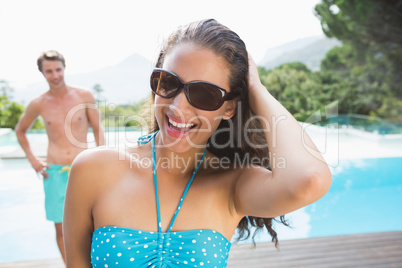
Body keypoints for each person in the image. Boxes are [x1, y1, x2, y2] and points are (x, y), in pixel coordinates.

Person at [63, 19, 332, 267]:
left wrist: (256, 90)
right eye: (168, 83)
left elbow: (310, 180)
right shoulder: (93, 169)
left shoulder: (232, 183)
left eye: (204, 94)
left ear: (229, 109)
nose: (178, 107)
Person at [15, 50, 105, 263]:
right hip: (54, 173)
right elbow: (20, 131)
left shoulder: (84, 96)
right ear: (42, 73)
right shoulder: (38, 103)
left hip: (83, 170)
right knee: (61, 228)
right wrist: (33, 161)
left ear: (64, 68)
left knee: (94, 224)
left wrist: (102, 158)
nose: (55, 75)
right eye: (49, 71)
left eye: (58, 69)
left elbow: (98, 129)